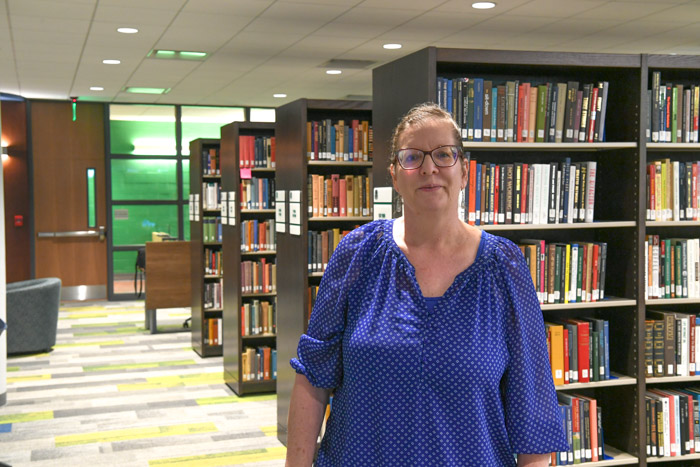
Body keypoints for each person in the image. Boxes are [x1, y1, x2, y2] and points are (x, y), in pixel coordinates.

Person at [286, 103, 569, 466]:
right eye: (412, 157)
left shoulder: (504, 267)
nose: (429, 168)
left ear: (465, 171)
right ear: (395, 175)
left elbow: (533, 409)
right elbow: (313, 377)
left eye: (444, 155)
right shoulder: (357, 253)